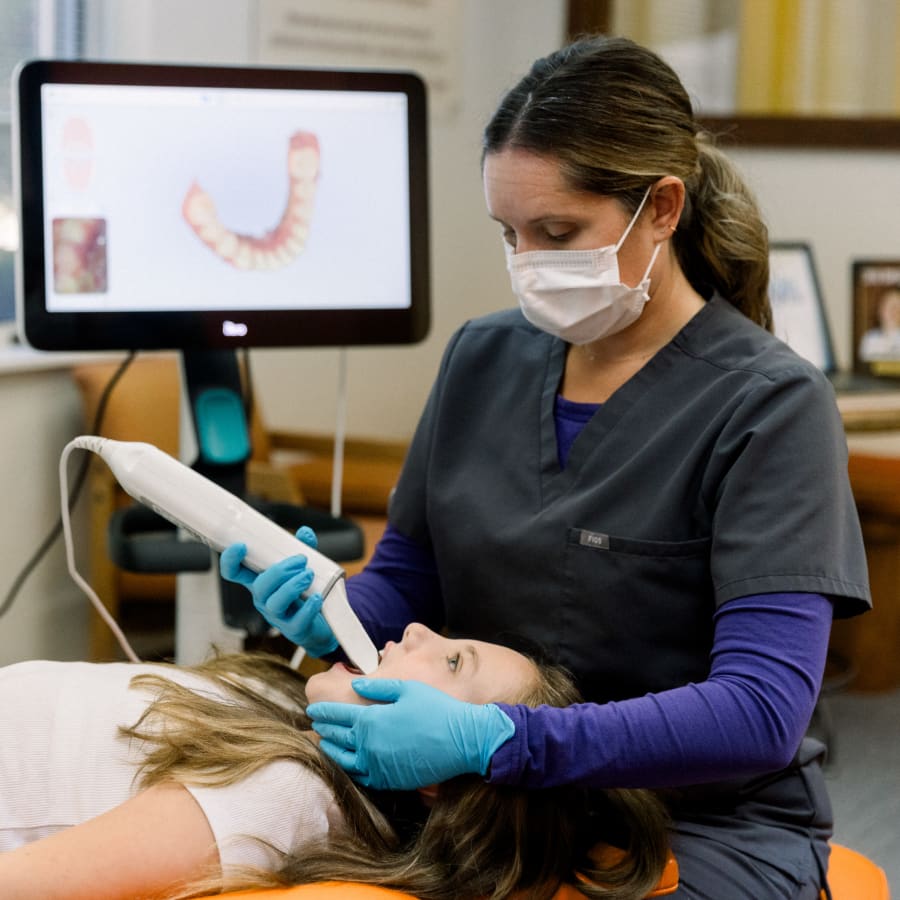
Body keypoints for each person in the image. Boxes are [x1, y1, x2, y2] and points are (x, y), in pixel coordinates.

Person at [221, 34, 872, 900]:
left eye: (558, 233)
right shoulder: (482, 357)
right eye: (511, 234)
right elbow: (407, 583)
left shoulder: (771, 407)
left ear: (663, 208)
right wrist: (327, 612)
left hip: (694, 821)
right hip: (477, 800)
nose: (529, 262)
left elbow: (759, 712)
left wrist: (500, 740)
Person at [0, 625, 668, 900]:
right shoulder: (289, 709)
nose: (416, 630)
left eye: (451, 661)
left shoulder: (282, 793)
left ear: (436, 771)